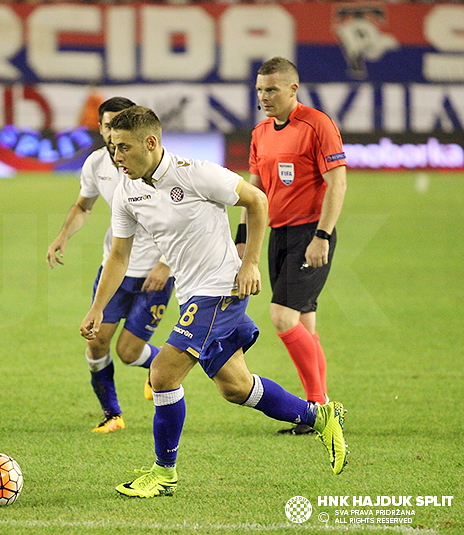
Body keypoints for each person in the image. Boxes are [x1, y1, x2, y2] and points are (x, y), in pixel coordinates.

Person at [80, 106, 348, 498]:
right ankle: (320, 416)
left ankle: (164, 472)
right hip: (192, 292)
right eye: (112, 147)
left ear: (151, 143)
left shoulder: (194, 172)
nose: (116, 157)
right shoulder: (127, 189)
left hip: (221, 287)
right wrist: (97, 308)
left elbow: (256, 200)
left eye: (123, 147)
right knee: (236, 387)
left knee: (163, 373)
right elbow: (118, 256)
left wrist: (250, 263)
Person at [47, 97, 174, 433]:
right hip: (116, 267)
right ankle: (112, 414)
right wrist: (63, 236)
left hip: (154, 273)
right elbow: (83, 206)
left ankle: (162, 367)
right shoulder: (96, 165)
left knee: (129, 351)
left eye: (120, 125)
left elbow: (182, 222)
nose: (112, 134)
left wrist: (165, 264)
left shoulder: (157, 168)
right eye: (107, 126)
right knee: (95, 340)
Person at [238, 57, 347, 435]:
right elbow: (253, 192)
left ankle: (318, 408)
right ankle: (320, 408)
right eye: (259, 90)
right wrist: (242, 237)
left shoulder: (318, 125)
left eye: (271, 89)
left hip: (310, 233)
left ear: (292, 89)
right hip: (278, 232)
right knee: (304, 322)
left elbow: (338, 183)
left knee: (282, 316)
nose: (263, 97)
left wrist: (323, 235)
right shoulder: (260, 132)